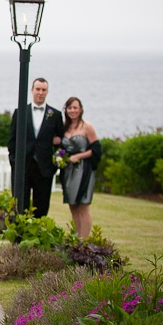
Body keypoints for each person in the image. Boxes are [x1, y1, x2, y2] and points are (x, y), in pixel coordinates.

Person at [7, 77, 65, 218]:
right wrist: (15, 163)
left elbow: (62, 144)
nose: (40, 92)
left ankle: (38, 236)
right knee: (20, 204)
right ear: (32, 90)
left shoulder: (55, 115)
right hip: (23, 168)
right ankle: (20, 237)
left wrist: (55, 165)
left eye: (43, 90)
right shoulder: (20, 112)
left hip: (44, 169)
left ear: (47, 92)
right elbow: (12, 141)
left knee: (42, 205)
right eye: (37, 89)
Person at [60, 97, 101, 240]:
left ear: (81, 109)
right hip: (68, 171)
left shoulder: (87, 127)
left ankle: (84, 241)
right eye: (70, 108)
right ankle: (77, 239)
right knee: (73, 205)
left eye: (75, 108)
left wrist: (79, 156)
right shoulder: (65, 127)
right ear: (66, 110)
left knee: (83, 205)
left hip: (84, 170)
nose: (72, 111)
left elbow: (96, 149)